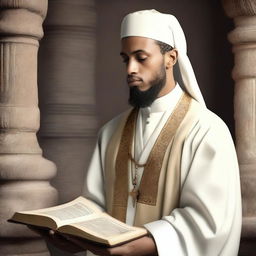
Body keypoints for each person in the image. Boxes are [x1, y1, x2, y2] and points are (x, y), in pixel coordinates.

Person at [33, 9, 242, 256]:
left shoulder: (206, 130)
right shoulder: (110, 132)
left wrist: (131, 247)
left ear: (170, 58)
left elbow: (208, 224)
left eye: (141, 58)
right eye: (126, 59)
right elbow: (95, 206)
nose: (130, 68)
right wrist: (74, 234)